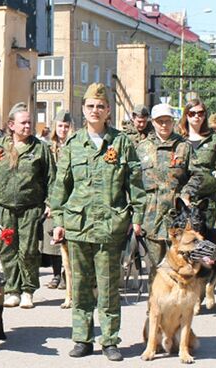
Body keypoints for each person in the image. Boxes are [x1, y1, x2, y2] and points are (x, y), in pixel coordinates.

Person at [50, 83, 146, 362]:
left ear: (108, 111)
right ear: (83, 110)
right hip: (78, 226)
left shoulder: (122, 142)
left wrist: (137, 219)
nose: (95, 110)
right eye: (90, 106)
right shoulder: (73, 144)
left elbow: (136, 185)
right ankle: (82, 338)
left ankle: (110, 340)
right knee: (79, 285)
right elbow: (61, 186)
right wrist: (58, 220)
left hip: (109, 226)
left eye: (100, 106)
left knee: (107, 286)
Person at [0, 103, 55, 309]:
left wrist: (50, 203)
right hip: (4, 208)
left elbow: (52, 177)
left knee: (29, 250)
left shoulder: (40, 148)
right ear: (11, 125)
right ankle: (13, 289)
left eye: (30, 122)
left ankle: (28, 290)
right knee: (7, 249)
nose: (28, 126)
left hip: (31, 207)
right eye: (23, 123)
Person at [136, 103, 201, 289]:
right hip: (151, 216)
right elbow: (133, 181)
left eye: (168, 121)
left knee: (181, 265)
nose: (164, 125)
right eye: (159, 121)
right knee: (156, 267)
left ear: (173, 122)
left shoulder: (183, 147)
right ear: (153, 122)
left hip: (178, 216)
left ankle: (179, 306)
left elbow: (197, 174)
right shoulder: (142, 148)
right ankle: (154, 306)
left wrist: (187, 194)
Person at [177, 98, 216, 228]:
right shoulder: (178, 139)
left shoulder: (214, 139)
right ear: (186, 115)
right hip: (180, 199)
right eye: (192, 113)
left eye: (200, 113)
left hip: (206, 200)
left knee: (205, 239)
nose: (196, 116)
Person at [39, 109, 73, 289]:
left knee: (69, 237)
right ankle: (55, 274)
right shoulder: (47, 147)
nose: (63, 129)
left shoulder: (74, 145)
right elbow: (45, 177)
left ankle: (66, 275)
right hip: (51, 198)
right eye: (60, 126)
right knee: (52, 237)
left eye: (66, 126)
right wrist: (48, 202)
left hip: (70, 199)